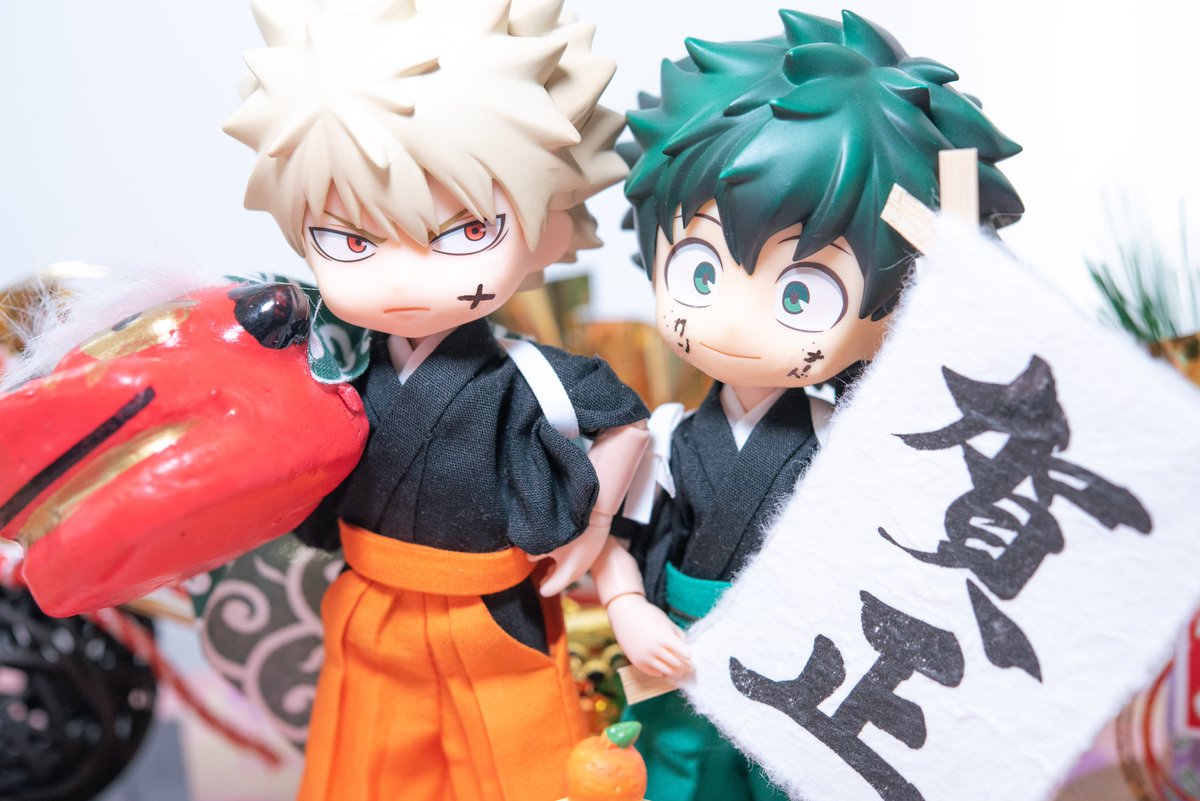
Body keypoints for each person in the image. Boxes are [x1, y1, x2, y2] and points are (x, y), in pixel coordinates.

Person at [592, 10, 1024, 801]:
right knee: (677, 776)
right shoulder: (667, 437)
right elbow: (617, 539)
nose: (731, 321)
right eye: (699, 271)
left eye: (802, 292)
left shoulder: (846, 441)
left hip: (804, 662)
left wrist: (944, 252)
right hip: (680, 652)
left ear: (891, 302)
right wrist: (626, 607)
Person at [223, 1, 650, 799]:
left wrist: (593, 526)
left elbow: (627, 423)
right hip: (372, 605)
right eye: (351, 240)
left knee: (520, 770)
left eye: (466, 232)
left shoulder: (530, 376)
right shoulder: (338, 362)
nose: (404, 276)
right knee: (363, 770)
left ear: (549, 225)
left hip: (491, 613)